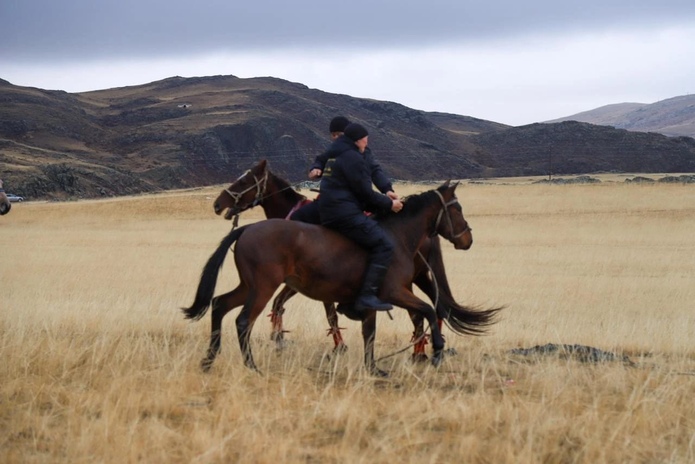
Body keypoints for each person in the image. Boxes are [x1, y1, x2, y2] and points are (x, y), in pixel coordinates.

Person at [318, 123, 403, 316]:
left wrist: (386, 190)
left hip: (333, 209)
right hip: (344, 212)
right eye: (365, 138)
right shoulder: (353, 158)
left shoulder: (339, 153)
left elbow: (374, 173)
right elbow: (364, 192)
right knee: (384, 245)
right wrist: (390, 205)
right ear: (357, 140)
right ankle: (367, 296)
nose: (367, 141)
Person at [291, 116, 399, 224]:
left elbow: (375, 171)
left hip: (349, 203)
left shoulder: (362, 153)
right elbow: (321, 159)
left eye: (340, 135)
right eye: (334, 135)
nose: (337, 138)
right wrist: (316, 168)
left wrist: (387, 189)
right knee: (299, 216)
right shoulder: (334, 149)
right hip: (333, 200)